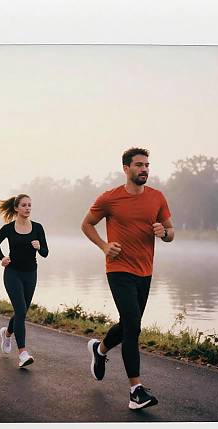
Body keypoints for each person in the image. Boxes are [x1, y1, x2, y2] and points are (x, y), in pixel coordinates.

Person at [81, 147, 174, 410]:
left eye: (147, 165)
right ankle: (136, 391)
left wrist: (163, 232)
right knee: (133, 326)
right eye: (139, 165)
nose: (144, 169)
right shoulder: (110, 198)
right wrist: (103, 246)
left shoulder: (157, 197)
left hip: (145, 271)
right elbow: (86, 224)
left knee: (127, 323)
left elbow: (171, 232)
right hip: (118, 268)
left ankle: (100, 349)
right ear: (126, 168)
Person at [0, 194, 48, 368]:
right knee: (21, 311)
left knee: (20, 312)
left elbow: (46, 252)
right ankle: (23, 353)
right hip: (12, 273)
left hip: (30, 273)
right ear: (16, 208)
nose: (28, 208)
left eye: (30, 205)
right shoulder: (9, 228)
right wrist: (2, 258)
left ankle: (7, 334)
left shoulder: (38, 228)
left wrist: (40, 248)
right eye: (24, 205)